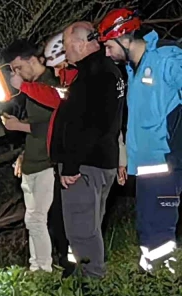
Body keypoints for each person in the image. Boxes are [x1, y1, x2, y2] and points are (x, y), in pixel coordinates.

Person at [98, 8, 182, 273]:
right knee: (147, 228)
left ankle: (165, 287)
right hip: (144, 166)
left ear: (124, 36)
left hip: (165, 162)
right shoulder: (133, 71)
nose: (107, 54)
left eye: (109, 46)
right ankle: (154, 285)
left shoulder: (166, 59)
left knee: (159, 229)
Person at [46, 21, 125, 278]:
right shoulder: (103, 71)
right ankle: (87, 280)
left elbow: (91, 125)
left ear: (81, 43)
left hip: (85, 166)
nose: (65, 52)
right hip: (97, 163)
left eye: (68, 46)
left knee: (81, 230)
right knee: (88, 227)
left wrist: (71, 165)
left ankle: (93, 288)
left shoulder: (97, 75)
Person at [0, 39, 60, 273]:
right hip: (31, 163)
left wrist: (18, 127)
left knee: (37, 218)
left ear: (33, 59)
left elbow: (51, 126)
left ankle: (43, 269)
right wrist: (23, 154)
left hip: (48, 162)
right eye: (13, 70)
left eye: (18, 68)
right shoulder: (31, 87)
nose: (17, 74)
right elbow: (35, 125)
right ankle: (36, 266)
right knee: (31, 219)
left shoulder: (49, 84)